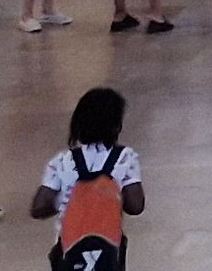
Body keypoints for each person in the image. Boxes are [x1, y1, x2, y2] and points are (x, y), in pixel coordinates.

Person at [27, 88, 142, 268]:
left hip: (69, 252)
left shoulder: (63, 161)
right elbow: (135, 206)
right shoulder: (125, 158)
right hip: (109, 251)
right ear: (117, 126)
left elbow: (38, 208)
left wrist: (65, 200)